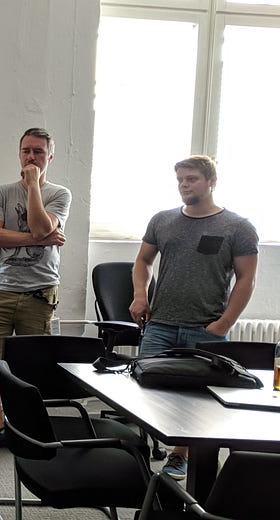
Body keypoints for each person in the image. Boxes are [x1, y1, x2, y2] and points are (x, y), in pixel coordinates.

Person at [129, 154, 258, 480]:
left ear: (210, 181)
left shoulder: (237, 227)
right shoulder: (162, 220)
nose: (184, 185)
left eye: (192, 179)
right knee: (145, 388)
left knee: (196, 399)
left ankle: (181, 456)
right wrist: (140, 296)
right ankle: (143, 450)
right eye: (180, 180)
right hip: (160, 323)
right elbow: (143, 261)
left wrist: (223, 324)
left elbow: (246, 278)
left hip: (205, 328)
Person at [0, 127, 71, 452]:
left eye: (38, 151)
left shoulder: (59, 194)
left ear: (50, 156)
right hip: (2, 289)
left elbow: (39, 224)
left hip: (39, 291)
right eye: (26, 151)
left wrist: (34, 185)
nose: (31, 157)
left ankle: (22, 427)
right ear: (19, 153)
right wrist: (37, 238)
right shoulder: (2, 193)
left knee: (30, 363)